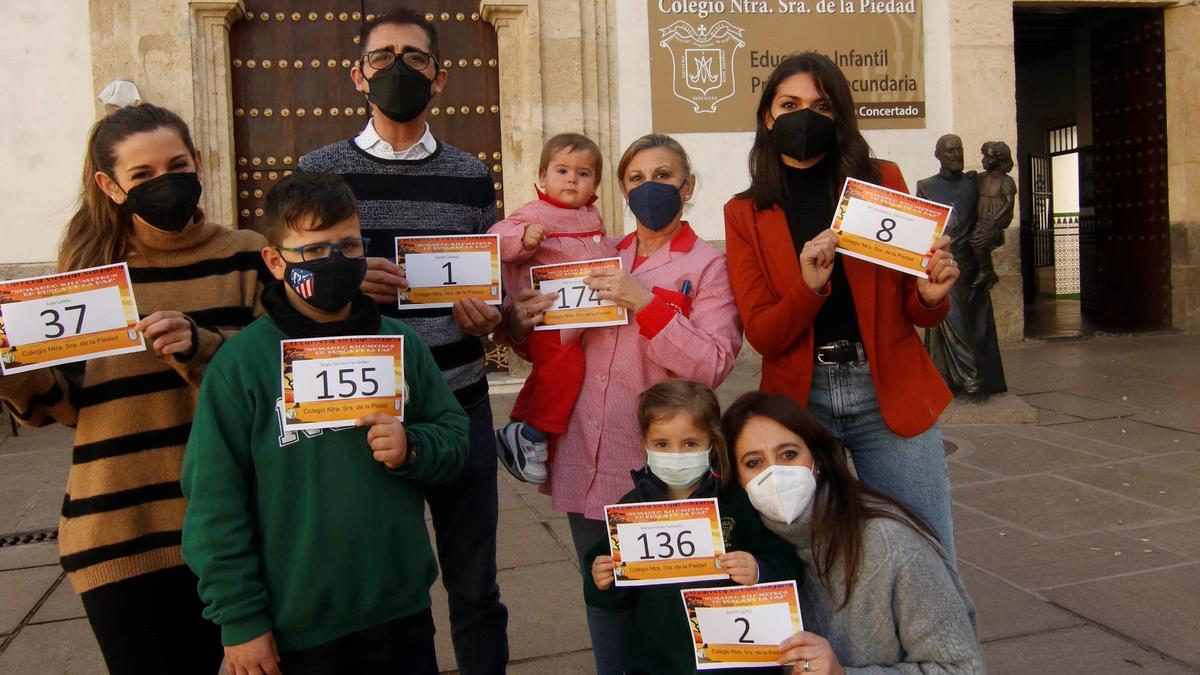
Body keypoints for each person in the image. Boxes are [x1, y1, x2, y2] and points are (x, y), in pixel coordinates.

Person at [0, 103, 265, 675]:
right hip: (120, 526)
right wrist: (12, 369)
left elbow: (275, 375)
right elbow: (64, 406)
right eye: (141, 176)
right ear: (110, 186)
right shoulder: (87, 273)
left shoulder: (247, 253)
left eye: (175, 165)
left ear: (198, 163)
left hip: (232, 524)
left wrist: (203, 345)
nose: (164, 183)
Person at [181, 172, 469, 675]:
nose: (335, 262)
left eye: (349, 245)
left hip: (398, 612)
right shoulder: (241, 365)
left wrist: (412, 447)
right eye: (313, 252)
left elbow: (453, 438)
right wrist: (241, 620)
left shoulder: (401, 343)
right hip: (297, 622)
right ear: (275, 261)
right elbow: (214, 504)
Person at [297, 9, 509, 672]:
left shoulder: (472, 174)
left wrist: (489, 317)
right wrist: (355, 289)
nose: (398, 69)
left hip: (461, 405)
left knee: (475, 585)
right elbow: (295, 293)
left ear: (440, 77)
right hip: (364, 414)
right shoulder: (318, 170)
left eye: (414, 58)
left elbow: (484, 278)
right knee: (378, 590)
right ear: (357, 73)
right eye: (383, 55)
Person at [506, 134, 742, 674]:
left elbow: (713, 363)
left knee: (672, 605)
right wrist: (521, 325)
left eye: (663, 176)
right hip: (586, 455)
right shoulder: (597, 255)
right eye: (636, 179)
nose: (649, 188)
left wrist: (645, 304)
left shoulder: (708, 266)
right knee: (604, 594)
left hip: (662, 466)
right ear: (620, 189)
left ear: (688, 185)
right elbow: (551, 345)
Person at [722, 52, 961, 558]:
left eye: (821, 105)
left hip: (888, 387)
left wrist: (929, 295)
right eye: (789, 103)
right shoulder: (745, 212)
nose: (804, 115)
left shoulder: (882, 183)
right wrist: (809, 289)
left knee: (926, 550)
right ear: (768, 115)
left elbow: (914, 305)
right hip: (799, 402)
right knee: (816, 558)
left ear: (839, 116)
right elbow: (763, 334)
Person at [720, 391, 985, 675]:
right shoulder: (739, 546)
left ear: (817, 459)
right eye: (753, 463)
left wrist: (843, 674)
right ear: (737, 478)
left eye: (788, 454)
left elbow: (962, 668)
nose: (775, 473)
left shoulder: (891, 545)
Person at [584, 379, 803, 674]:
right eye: (662, 444)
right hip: (660, 662)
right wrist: (602, 580)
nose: (675, 454)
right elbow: (608, 595)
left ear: (711, 443)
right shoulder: (629, 510)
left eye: (690, 443)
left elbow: (788, 563)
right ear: (644, 444)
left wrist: (760, 570)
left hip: (738, 662)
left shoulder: (738, 501)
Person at [490, 132, 615, 483]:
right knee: (566, 369)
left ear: (595, 184)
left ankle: (517, 427)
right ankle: (533, 435)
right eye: (562, 170)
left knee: (551, 374)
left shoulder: (592, 216)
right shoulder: (533, 212)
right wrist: (524, 237)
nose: (572, 178)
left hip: (584, 314)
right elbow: (497, 238)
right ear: (542, 177)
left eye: (583, 173)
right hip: (548, 316)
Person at [918, 135, 1007, 401]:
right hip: (944, 264)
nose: (956, 155)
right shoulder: (926, 186)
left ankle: (950, 377)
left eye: (959, 150)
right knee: (952, 319)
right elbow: (921, 226)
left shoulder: (975, 182)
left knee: (977, 323)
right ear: (938, 156)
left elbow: (996, 196)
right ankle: (972, 380)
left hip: (973, 263)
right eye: (949, 152)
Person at [971, 141, 1017, 291]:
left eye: (989, 157)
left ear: (1000, 160)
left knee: (978, 240)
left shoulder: (1006, 181)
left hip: (995, 219)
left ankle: (986, 271)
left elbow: (1009, 203)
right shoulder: (981, 178)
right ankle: (987, 272)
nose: (984, 160)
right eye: (984, 156)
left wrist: (995, 220)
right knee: (974, 238)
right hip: (982, 218)